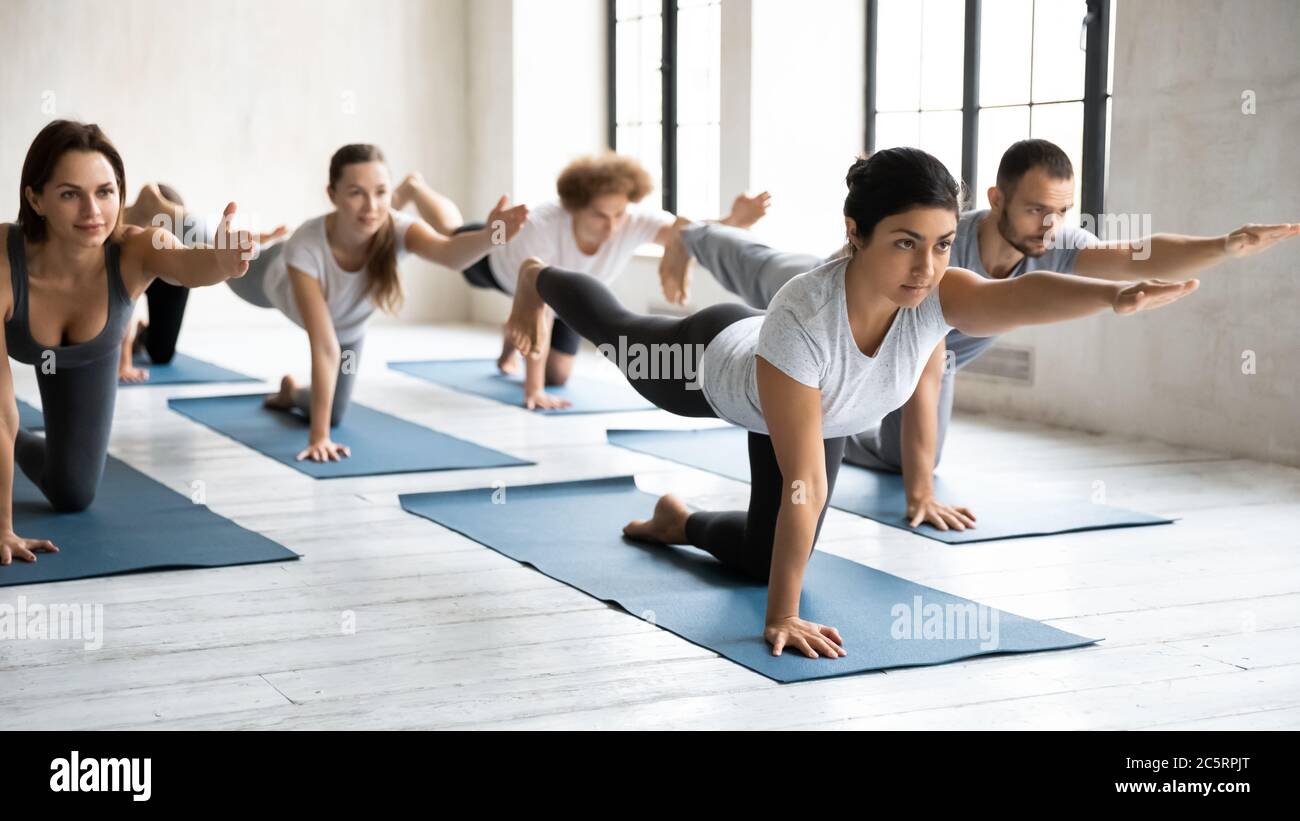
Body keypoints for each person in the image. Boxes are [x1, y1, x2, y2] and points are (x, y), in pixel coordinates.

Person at [505, 148, 1198, 658]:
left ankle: (676, 521)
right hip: (713, 364)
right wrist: (782, 616)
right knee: (620, 333)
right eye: (904, 243)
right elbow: (803, 486)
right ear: (855, 232)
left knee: (763, 556)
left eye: (941, 245)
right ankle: (539, 276)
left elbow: (1019, 295)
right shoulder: (804, 315)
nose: (925, 266)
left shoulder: (937, 293)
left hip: (817, 408)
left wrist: (1114, 295)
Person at [656, 139, 1299, 531]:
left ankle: (838, 420)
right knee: (760, 265)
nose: (1049, 225)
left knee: (911, 449)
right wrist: (920, 493)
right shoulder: (949, 248)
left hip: (911, 365)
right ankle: (694, 232)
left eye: (1060, 211)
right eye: (1036, 209)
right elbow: (926, 374)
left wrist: (1226, 244)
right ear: (997, 199)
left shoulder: (1056, 244)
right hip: (847, 311)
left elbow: (1138, 255)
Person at [1, 120, 257, 566]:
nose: (92, 211)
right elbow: (2, 410)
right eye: (70, 194)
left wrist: (220, 261)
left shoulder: (135, 248)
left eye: (105, 191)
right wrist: (3, 526)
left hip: (88, 355)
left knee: (73, 493)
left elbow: (187, 265)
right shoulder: (4, 264)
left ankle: (23, 442)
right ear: (36, 199)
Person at [393, 153, 771, 409]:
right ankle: (416, 187)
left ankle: (509, 342)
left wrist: (733, 221)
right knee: (450, 231)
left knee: (559, 375)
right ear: (573, 207)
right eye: (599, 216)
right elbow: (535, 301)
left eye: (618, 214)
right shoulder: (543, 225)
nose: (612, 226)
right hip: (497, 265)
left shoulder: (634, 220)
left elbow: (687, 235)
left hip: (562, 295)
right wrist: (532, 391)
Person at [226, 143, 528, 462]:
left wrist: (491, 236)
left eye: (381, 192)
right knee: (218, 257)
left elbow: (450, 254)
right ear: (332, 195)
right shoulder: (307, 243)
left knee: (334, 412)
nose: (371, 206)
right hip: (265, 277)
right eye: (356, 193)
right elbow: (325, 345)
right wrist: (319, 437)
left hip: (348, 331)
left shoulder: (398, 229)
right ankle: (232, 234)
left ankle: (290, 393)